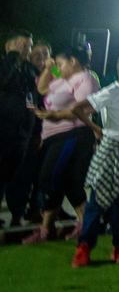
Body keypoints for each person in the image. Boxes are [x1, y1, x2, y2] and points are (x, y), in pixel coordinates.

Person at [42, 51, 119, 267]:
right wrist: (95, 128)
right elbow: (77, 107)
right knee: (98, 201)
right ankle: (85, 248)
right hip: (112, 151)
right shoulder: (112, 90)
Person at [23, 43, 99, 244]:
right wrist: (49, 68)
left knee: (50, 178)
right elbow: (41, 88)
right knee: (60, 181)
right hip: (51, 136)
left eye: (59, 63)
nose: (57, 66)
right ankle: (49, 229)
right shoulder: (61, 76)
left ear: (73, 61)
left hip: (71, 134)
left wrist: (54, 115)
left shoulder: (85, 78)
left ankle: (83, 223)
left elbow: (83, 108)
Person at [7, 38, 50, 226]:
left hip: (52, 128)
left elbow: (65, 80)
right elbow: (30, 99)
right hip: (33, 128)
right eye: (37, 54)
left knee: (44, 174)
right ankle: (18, 212)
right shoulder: (28, 72)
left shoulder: (52, 71)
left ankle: (37, 208)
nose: (41, 58)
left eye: (45, 54)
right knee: (25, 173)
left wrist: (52, 67)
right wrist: (34, 112)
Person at [1, 30, 37, 221]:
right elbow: (4, 80)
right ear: (9, 46)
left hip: (23, 132)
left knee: (17, 176)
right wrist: (12, 57)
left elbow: (35, 93)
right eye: (23, 45)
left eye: (29, 46)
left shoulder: (29, 69)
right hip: (4, 129)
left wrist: (53, 67)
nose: (27, 49)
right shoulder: (4, 65)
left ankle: (17, 215)